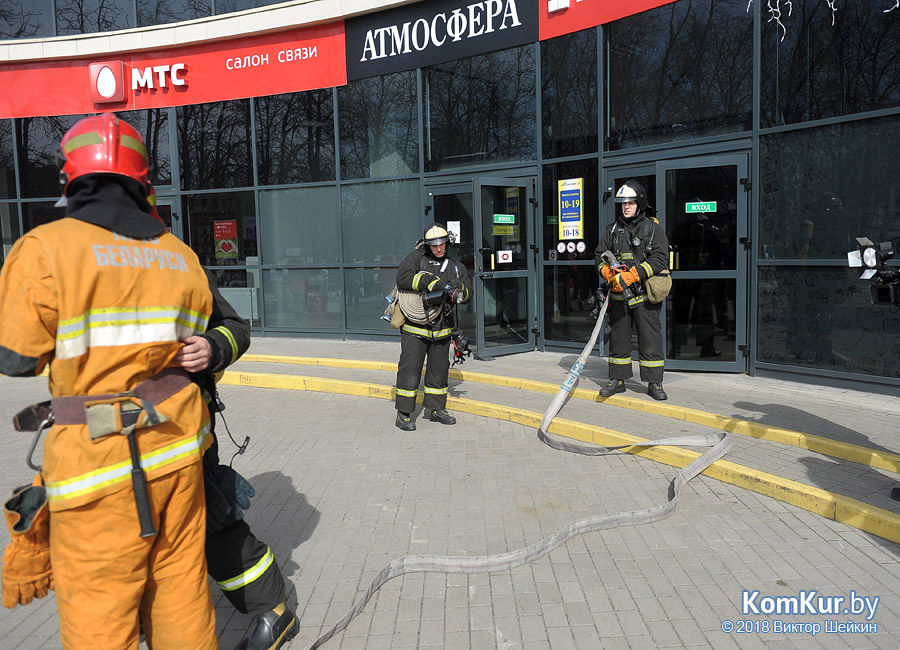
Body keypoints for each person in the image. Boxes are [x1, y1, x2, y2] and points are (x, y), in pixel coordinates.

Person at [0, 114, 216, 648]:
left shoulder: (45, 249)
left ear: (71, 180)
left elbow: (16, 360)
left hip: (96, 465)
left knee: (100, 613)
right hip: (180, 448)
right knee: (182, 591)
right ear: (143, 183)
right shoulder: (180, 255)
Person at [149, 187, 298, 650]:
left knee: (212, 520)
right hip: (112, 444)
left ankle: (271, 609)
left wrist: (212, 347)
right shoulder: (74, 263)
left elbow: (234, 327)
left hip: (184, 429)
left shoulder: (175, 261)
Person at [595, 180, 670, 401]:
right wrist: (608, 274)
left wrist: (633, 275)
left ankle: (654, 382)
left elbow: (660, 258)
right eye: (623, 204)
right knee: (618, 339)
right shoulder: (612, 230)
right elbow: (599, 256)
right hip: (619, 297)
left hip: (644, 296)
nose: (626, 207)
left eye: (630, 203)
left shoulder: (652, 228)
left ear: (640, 204)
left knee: (650, 339)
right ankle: (617, 380)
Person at [394, 223, 472, 431]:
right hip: (415, 328)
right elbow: (402, 278)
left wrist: (460, 290)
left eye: (442, 244)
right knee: (410, 370)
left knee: (439, 371)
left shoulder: (456, 266)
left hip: (443, 328)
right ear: (428, 245)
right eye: (435, 245)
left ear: (447, 243)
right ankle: (403, 413)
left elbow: (468, 294)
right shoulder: (416, 259)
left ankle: (437, 409)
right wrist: (429, 282)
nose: (439, 248)